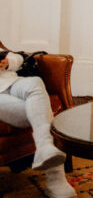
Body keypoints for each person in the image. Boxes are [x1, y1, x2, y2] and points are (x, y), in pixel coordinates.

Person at [0, 50, 75, 198]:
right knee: (40, 109)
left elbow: (17, 57)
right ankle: (56, 179)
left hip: (11, 81)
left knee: (36, 82)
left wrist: (7, 62)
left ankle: (45, 148)